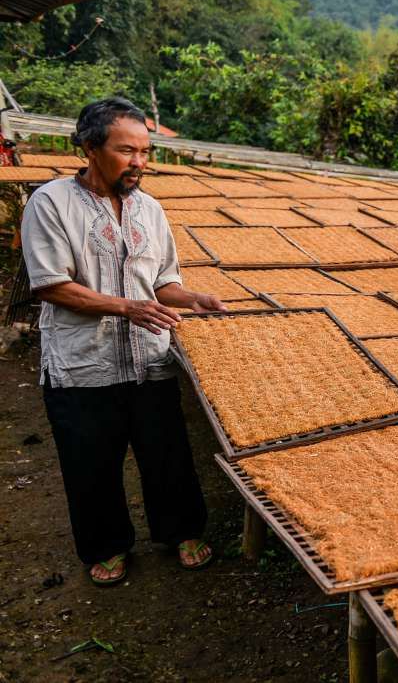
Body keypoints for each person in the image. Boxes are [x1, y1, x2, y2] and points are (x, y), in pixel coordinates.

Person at [20, 97, 227, 587]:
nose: (139, 162)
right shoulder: (51, 204)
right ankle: (107, 546)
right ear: (91, 148)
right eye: (126, 150)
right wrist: (127, 307)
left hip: (149, 359)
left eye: (145, 151)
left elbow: (161, 282)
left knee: (167, 452)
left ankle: (181, 532)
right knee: (90, 461)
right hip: (83, 364)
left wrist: (194, 298)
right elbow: (51, 285)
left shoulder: (150, 210)